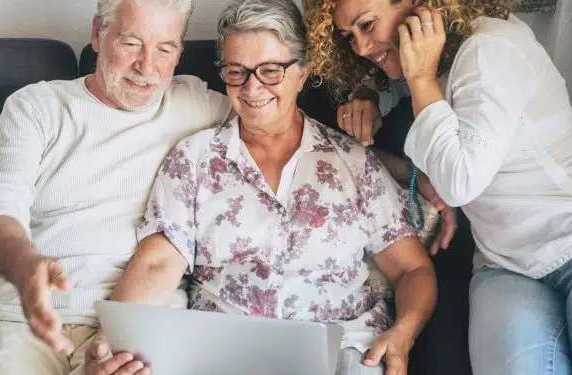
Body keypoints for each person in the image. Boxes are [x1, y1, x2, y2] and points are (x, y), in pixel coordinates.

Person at [87, 1, 437, 374]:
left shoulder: (353, 162)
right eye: (236, 72)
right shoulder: (194, 159)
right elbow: (157, 264)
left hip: (344, 352)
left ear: (303, 73)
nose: (252, 88)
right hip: (226, 356)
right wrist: (111, 349)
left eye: (270, 71)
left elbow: (412, 270)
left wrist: (403, 334)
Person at [303, 0, 572, 374]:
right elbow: (395, 90)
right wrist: (368, 95)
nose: (362, 48)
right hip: (506, 261)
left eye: (368, 25)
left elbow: (459, 184)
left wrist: (421, 80)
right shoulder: (434, 56)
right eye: (348, 36)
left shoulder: (488, 49)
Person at [0, 0, 234, 373]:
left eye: (165, 48)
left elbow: (277, 118)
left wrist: (344, 104)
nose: (146, 67)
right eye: (130, 42)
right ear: (97, 35)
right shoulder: (37, 106)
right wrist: (24, 264)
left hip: (137, 321)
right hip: (20, 316)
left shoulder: (198, 106)